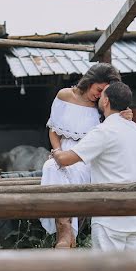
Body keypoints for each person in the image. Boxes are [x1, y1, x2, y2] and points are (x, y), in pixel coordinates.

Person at [52, 81, 136, 271]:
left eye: (101, 96)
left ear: (105, 102)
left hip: (110, 218)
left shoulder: (103, 133)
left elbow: (66, 159)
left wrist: (54, 151)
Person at [40, 63, 130, 248]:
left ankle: (66, 235)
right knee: (50, 167)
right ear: (89, 81)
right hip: (63, 151)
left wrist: (124, 116)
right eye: (99, 89)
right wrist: (58, 151)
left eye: (105, 91)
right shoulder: (64, 95)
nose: (100, 95)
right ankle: (64, 229)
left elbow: (114, 130)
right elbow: (53, 130)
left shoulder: (105, 106)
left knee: (76, 172)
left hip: (89, 156)